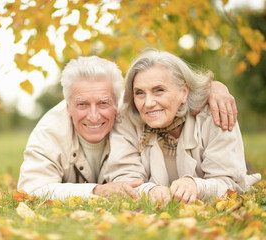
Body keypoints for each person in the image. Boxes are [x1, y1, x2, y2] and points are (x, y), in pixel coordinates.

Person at [17, 55, 239, 201]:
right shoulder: (49, 131)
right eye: (82, 104)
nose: (93, 116)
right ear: (68, 107)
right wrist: (97, 191)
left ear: (118, 102)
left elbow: (167, 79)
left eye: (104, 103)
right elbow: (30, 190)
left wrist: (215, 88)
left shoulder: (134, 109)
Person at [104, 49, 261, 204]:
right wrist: (149, 190)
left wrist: (195, 185)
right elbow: (124, 181)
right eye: (139, 93)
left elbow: (231, 185)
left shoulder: (215, 113)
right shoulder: (126, 118)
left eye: (159, 90)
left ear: (184, 91)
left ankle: (247, 167)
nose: (148, 103)